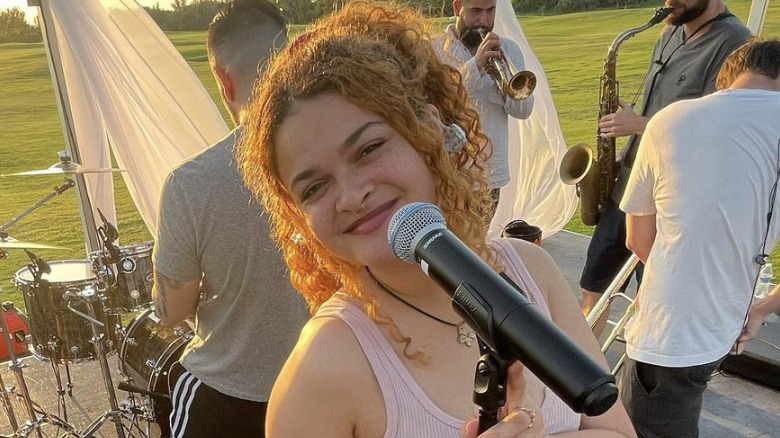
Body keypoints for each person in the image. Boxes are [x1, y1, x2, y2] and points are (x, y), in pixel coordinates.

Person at [237, 2, 636, 437]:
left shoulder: (530, 270)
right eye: (314, 188)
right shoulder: (323, 369)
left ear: (426, 131)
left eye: (369, 148)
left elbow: (617, 430)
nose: (352, 196)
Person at [151, 1, 307, 437]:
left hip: (227, 396)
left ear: (222, 78)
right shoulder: (339, 161)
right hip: (321, 382)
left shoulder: (190, 184)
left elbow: (171, 312)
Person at [619, 39, 780, 438]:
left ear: (725, 81)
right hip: (727, 325)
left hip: (668, 333)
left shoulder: (668, 119)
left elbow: (638, 240)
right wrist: (761, 308)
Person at [579, 0, 751, 333]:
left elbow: (712, 125)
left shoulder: (735, 43)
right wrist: (623, 153)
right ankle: (582, 374)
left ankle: (637, 378)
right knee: (593, 287)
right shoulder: (669, 30)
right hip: (630, 184)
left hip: (670, 199)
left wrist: (639, 124)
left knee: (652, 301)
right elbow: (658, 103)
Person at [432, 0, 534, 210]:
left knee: (480, 242)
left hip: (491, 176)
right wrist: (474, 67)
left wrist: (504, 77)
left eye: (490, 11)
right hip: (449, 174)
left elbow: (523, 112)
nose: (484, 20)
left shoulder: (509, 49)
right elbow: (440, 103)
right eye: (475, 11)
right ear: (457, 8)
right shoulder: (434, 49)